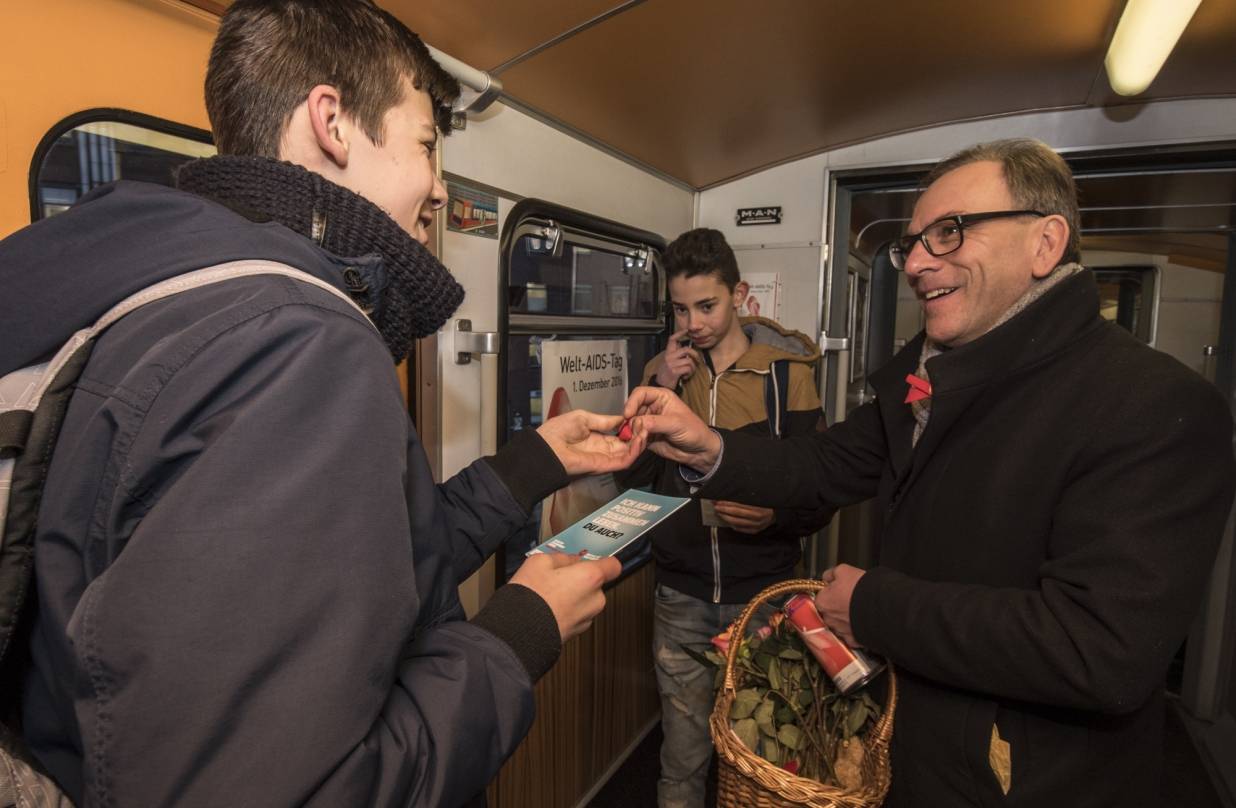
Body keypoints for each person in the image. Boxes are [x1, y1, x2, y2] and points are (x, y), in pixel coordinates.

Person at [0, 2, 642, 805]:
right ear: (333, 122)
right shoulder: (297, 340)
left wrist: (535, 462)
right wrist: (518, 633)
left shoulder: (154, 289)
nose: (440, 190)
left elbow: (353, 574)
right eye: (426, 146)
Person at [625, 139, 1236, 807]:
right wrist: (709, 445)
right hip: (915, 746)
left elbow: (1099, 650)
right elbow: (825, 463)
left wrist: (871, 608)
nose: (916, 262)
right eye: (913, 241)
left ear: (1045, 242)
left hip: (1021, 781)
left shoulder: (1153, 406)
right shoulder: (937, 369)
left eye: (950, 232)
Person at [618, 228, 830, 808]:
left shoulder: (787, 377)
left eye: (706, 305)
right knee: (682, 756)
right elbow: (629, 480)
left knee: (762, 756)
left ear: (738, 294)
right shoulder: (665, 374)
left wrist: (774, 518)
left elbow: (820, 490)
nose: (693, 323)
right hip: (682, 593)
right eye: (680, 309)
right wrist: (657, 385)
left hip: (765, 594)